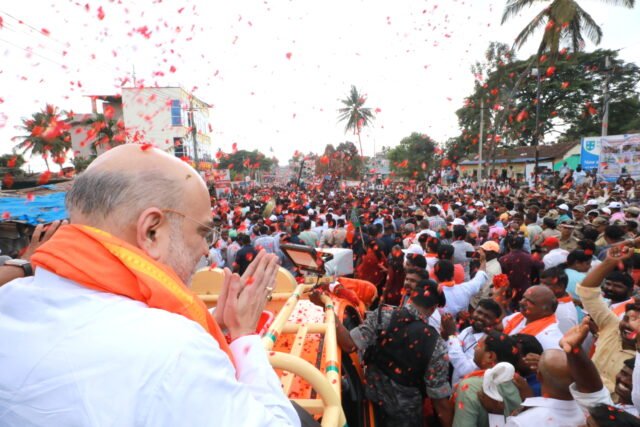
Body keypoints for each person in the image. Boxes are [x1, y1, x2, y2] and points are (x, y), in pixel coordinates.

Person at [0, 145, 300, 426]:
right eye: (203, 232)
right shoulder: (173, 350)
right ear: (152, 232)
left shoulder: (10, 298)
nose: (207, 251)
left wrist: (210, 322)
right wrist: (244, 336)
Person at [311, 279, 453, 427]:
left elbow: (348, 344)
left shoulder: (383, 315)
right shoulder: (437, 345)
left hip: (372, 402)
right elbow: (440, 401)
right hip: (405, 417)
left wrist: (326, 308)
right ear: (434, 308)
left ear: (410, 297)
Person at [576, 245, 637, 395]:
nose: (629, 324)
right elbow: (587, 291)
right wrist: (609, 262)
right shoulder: (612, 326)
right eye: (627, 318)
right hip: (583, 399)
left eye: (638, 321)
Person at [451, 332, 523, 427]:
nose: (474, 348)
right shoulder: (520, 382)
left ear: (490, 356)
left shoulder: (470, 386)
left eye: (479, 346)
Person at [442, 298, 502, 386]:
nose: (481, 317)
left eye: (487, 316)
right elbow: (453, 351)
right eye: (479, 312)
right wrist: (446, 338)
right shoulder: (468, 330)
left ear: (494, 322)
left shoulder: (489, 343)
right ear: (473, 312)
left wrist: (452, 336)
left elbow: (465, 371)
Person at [502, 285, 563, 350]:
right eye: (523, 298)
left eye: (530, 302)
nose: (521, 302)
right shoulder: (518, 316)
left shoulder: (550, 338)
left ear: (546, 310)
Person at [540, 267, 578, 334]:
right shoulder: (551, 301)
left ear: (560, 287)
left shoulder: (565, 316)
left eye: (546, 284)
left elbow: (563, 342)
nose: (540, 287)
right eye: (541, 283)